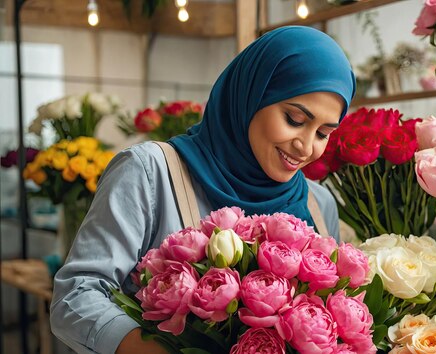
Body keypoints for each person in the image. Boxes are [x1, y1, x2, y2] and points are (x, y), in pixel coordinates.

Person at [49, 26, 356, 354]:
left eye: (323, 133)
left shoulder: (318, 203)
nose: (306, 146)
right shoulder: (150, 172)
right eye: (294, 119)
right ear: (250, 96)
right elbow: (76, 296)